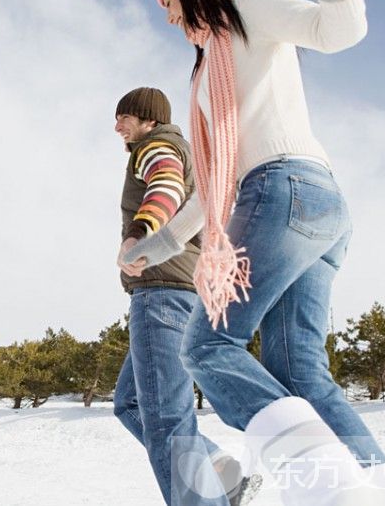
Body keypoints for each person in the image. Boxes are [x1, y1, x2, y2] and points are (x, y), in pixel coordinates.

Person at [123, 0, 385, 505]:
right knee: (297, 370)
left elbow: (333, 31)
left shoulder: (247, 3)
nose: (169, 20)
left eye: (168, 5)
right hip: (316, 206)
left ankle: (330, 488)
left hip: (283, 191)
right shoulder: (210, 64)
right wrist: (160, 245)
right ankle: (383, 490)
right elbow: (217, 180)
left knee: (207, 346)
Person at [112, 87, 258, 506]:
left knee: (165, 419)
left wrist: (139, 233)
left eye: (125, 117)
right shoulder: (183, 149)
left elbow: (166, 185)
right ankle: (223, 473)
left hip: (162, 293)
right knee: (130, 403)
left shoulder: (157, 147)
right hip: (180, 294)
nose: (118, 126)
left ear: (149, 119)